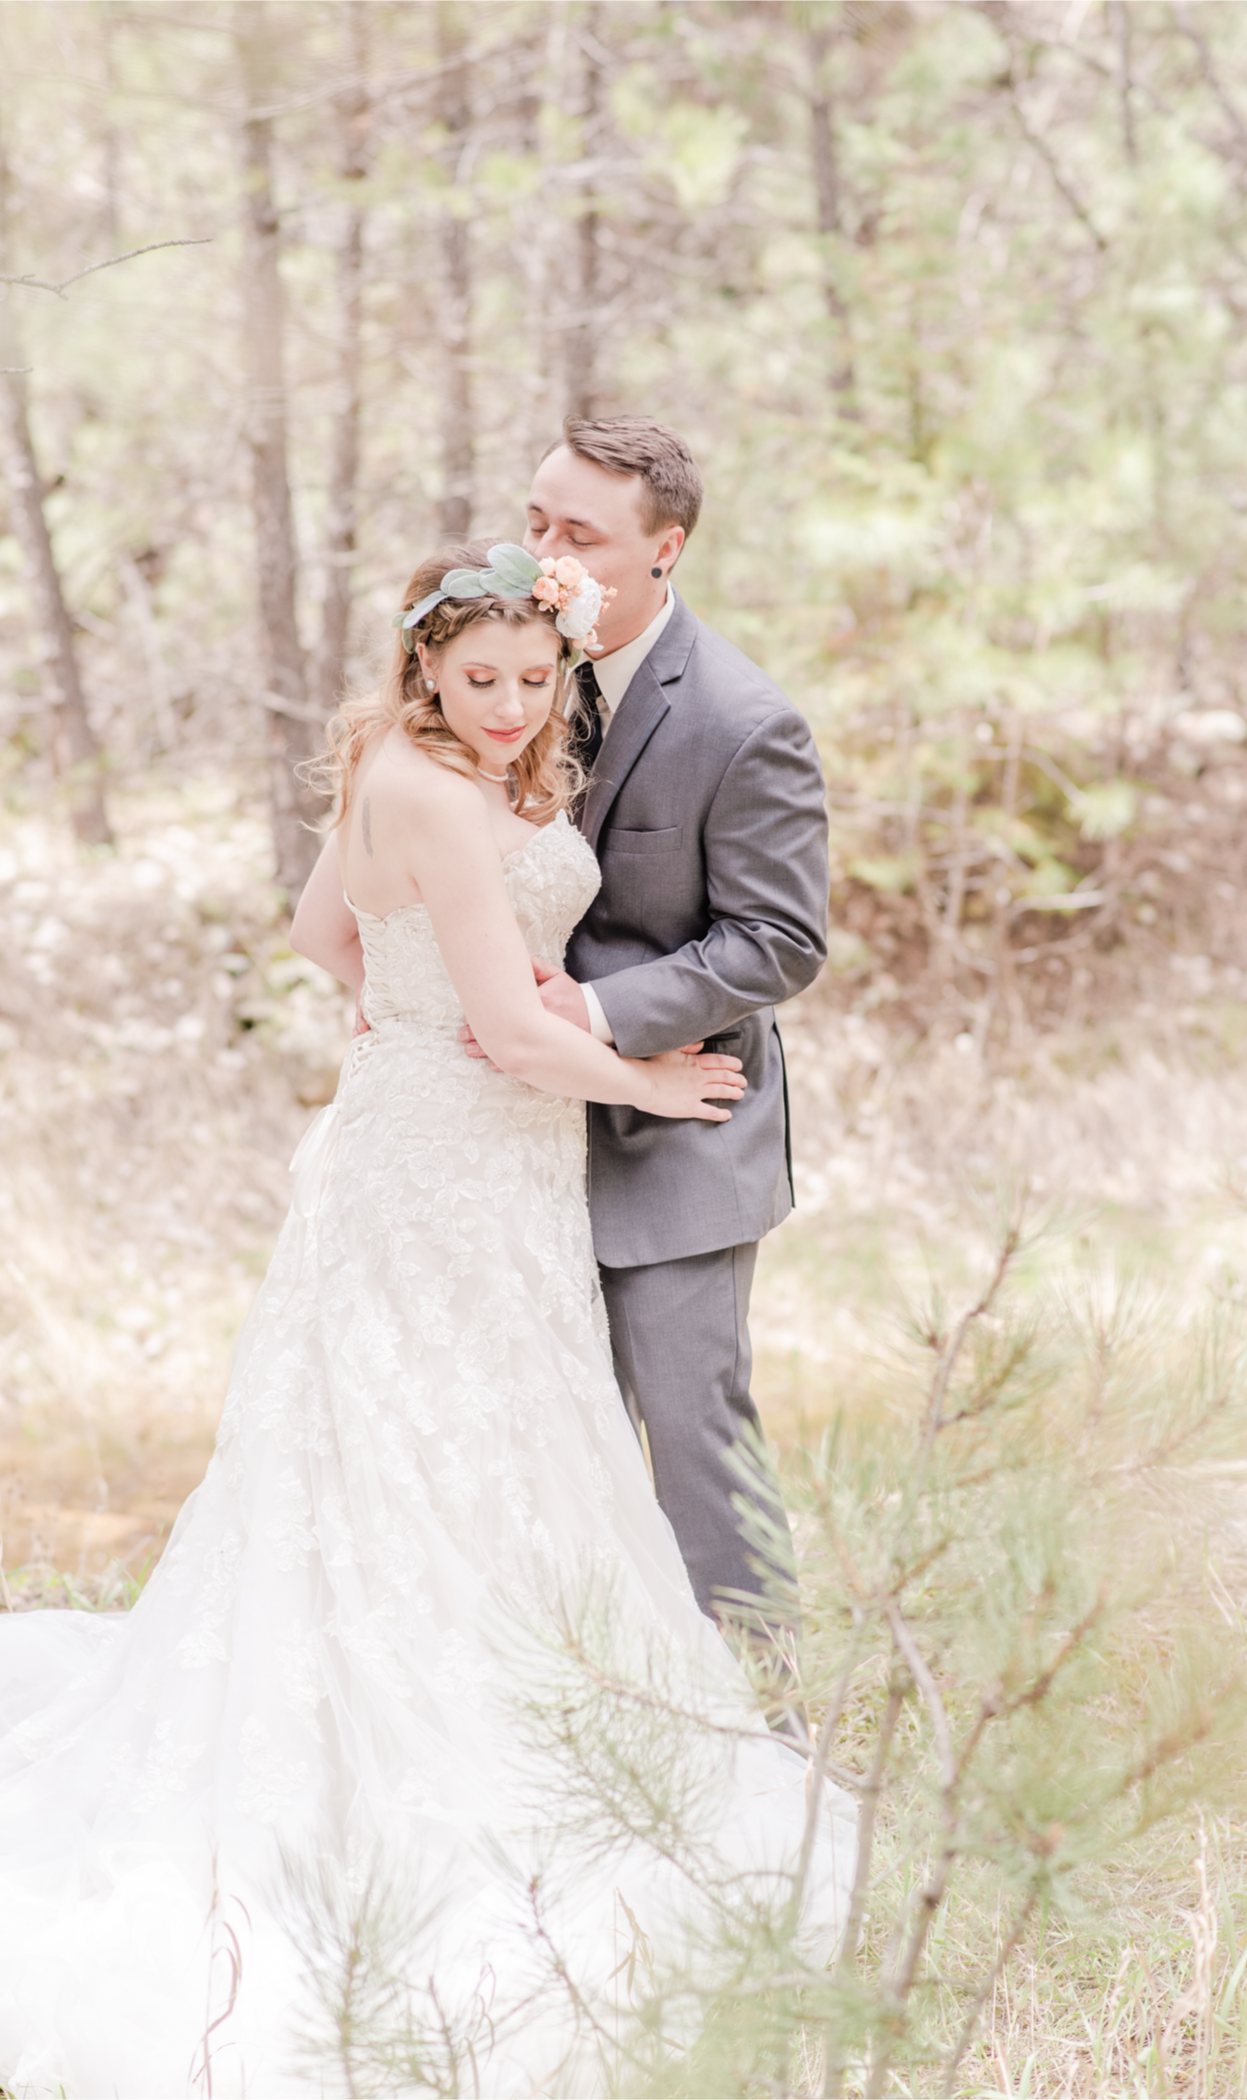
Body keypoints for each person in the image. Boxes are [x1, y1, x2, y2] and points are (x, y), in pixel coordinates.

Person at [0, 538, 853, 2100]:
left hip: (468, 1159)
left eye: (529, 679)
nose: (506, 707)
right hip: (444, 1156)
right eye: (475, 677)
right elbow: (505, 1027)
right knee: (399, 1440)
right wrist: (646, 1079)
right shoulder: (425, 787)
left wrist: (391, 1004)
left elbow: (318, 933)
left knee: (499, 1438)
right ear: (420, 666)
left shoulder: (430, 770)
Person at [466, 418, 828, 1644]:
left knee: (691, 1434)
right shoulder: (507, 673)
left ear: (664, 549)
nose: (541, 554)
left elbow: (779, 941)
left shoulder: (743, 720)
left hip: (680, 1131)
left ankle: (761, 1723)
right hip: (508, 1129)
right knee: (531, 1435)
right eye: (534, 521)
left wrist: (603, 1013)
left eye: (579, 534)